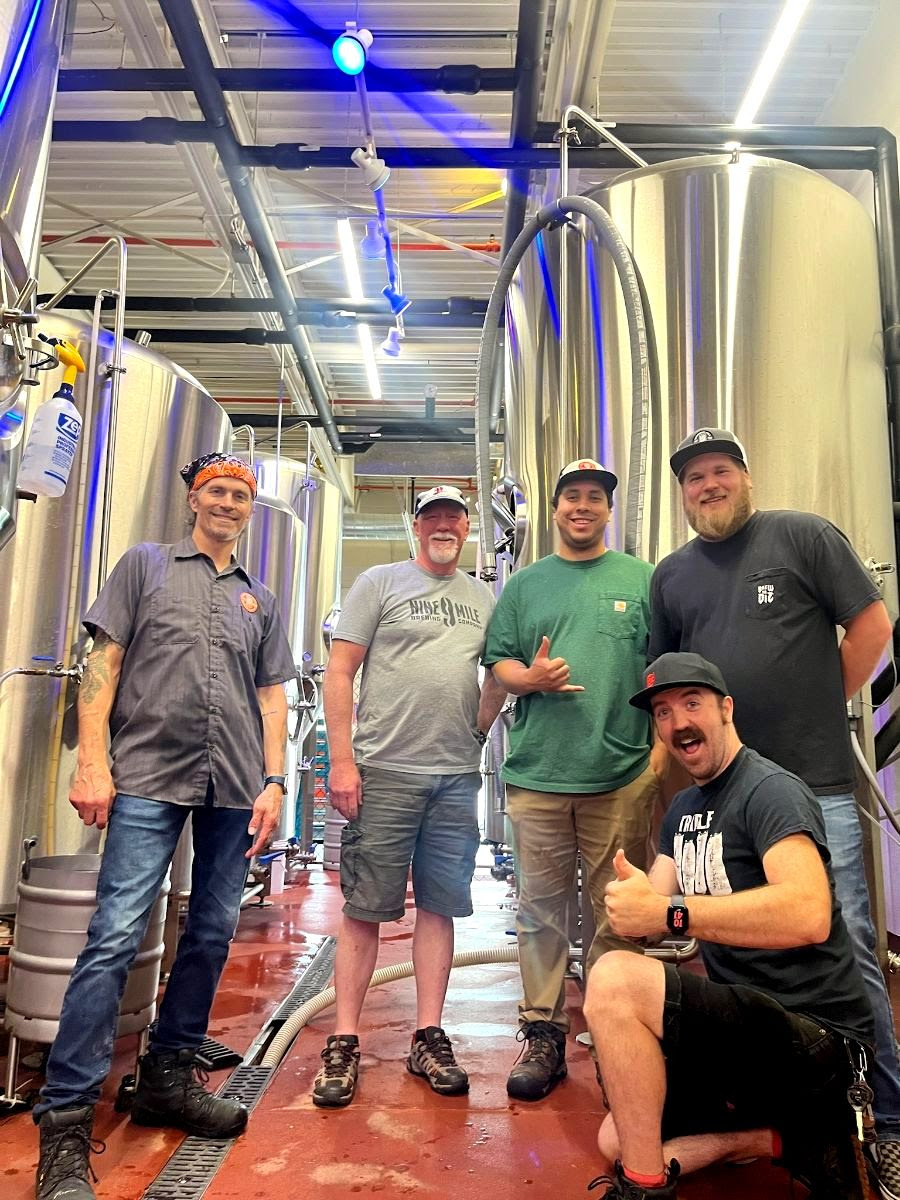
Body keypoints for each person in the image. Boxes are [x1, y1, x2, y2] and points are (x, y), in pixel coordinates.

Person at [35, 452, 297, 1200]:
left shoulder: (261, 598)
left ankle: (169, 1078)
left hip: (234, 786)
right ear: (193, 499)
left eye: (240, 494)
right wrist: (92, 762)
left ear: (251, 509)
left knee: (213, 931)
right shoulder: (145, 565)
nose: (228, 503)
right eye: (216, 490)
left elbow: (273, 699)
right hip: (146, 775)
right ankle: (65, 1121)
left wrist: (275, 782)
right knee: (115, 935)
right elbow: (102, 664)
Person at [648, 427, 900, 1200]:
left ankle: (886, 1121)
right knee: (728, 949)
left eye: (719, 471)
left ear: (745, 477)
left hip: (813, 781)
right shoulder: (672, 575)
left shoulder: (802, 536)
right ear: (682, 494)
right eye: (693, 479)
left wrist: (822, 706)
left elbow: (872, 627)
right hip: (722, 799)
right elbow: (664, 679)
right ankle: (781, 1108)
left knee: (847, 943)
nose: (707, 486)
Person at [584, 651, 875, 1200]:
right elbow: (653, 905)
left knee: (615, 980)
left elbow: (809, 914)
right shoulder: (684, 810)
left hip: (816, 1038)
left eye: (692, 704)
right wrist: (631, 901)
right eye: (663, 713)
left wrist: (667, 913)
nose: (678, 723)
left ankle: (644, 1189)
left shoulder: (771, 791)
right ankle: (784, 1141)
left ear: (726, 710)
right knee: (617, 1135)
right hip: (744, 1034)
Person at [312, 484, 506, 1108]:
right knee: (365, 909)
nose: (444, 525)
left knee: (440, 907)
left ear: (467, 527)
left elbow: (499, 671)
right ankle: (344, 1040)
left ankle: (427, 1034)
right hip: (384, 769)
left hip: (455, 775)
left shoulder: (483, 597)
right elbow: (339, 671)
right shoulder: (379, 582)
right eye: (433, 516)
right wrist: (341, 761)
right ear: (416, 527)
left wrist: (480, 723)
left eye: (454, 516)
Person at [483, 458, 660, 1102]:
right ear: (554, 510)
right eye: (570, 497)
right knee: (541, 913)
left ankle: (621, 1034)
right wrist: (528, 679)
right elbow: (498, 659)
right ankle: (544, 1033)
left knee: (617, 913)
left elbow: (663, 667)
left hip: (620, 776)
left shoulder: (642, 580)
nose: (582, 507)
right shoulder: (526, 585)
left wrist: (657, 764)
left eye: (594, 498)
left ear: (608, 510)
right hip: (539, 775)